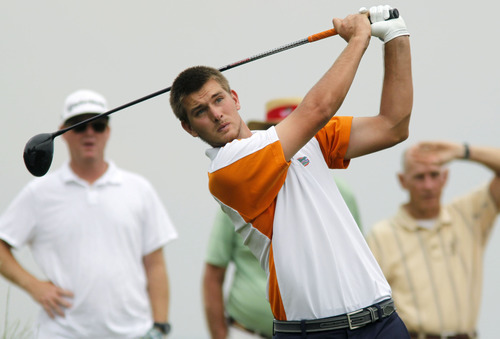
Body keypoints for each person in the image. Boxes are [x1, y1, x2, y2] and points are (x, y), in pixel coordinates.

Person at [170, 5, 412, 338]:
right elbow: (318, 109)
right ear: (189, 129)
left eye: (219, 99)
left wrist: (396, 36)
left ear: (235, 98)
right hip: (314, 332)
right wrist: (358, 38)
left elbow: (392, 126)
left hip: (382, 320)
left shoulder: (294, 139)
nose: (216, 114)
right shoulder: (227, 170)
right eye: (200, 111)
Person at [0, 89, 178, 338]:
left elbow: (155, 265)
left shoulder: (139, 189)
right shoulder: (39, 193)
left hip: (134, 333)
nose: (89, 133)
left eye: (98, 125)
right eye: (79, 126)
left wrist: (160, 327)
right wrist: (34, 286)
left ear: (108, 130)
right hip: (61, 333)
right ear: (62, 132)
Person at [202, 98, 363, 339]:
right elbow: (214, 274)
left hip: (327, 331)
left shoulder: (341, 193)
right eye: (275, 134)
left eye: (293, 132)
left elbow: (354, 261)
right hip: (247, 332)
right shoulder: (238, 194)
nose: (284, 142)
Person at [366, 141, 500, 339]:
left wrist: (461, 151)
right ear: (403, 181)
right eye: (420, 177)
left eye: (434, 175)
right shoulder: (381, 235)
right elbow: (369, 307)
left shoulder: (469, 214)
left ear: (445, 177)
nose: (428, 185)